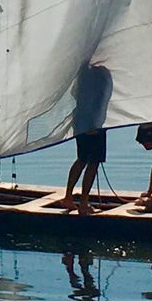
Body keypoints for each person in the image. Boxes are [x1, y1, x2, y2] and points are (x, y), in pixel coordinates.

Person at [54, 63, 113, 213]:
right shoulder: (100, 74)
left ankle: (68, 197)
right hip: (94, 124)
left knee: (82, 159)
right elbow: (101, 99)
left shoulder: (81, 73)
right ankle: (83, 203)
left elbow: (75, 95)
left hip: (80, 122)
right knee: (92, 163)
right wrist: (94, 124)